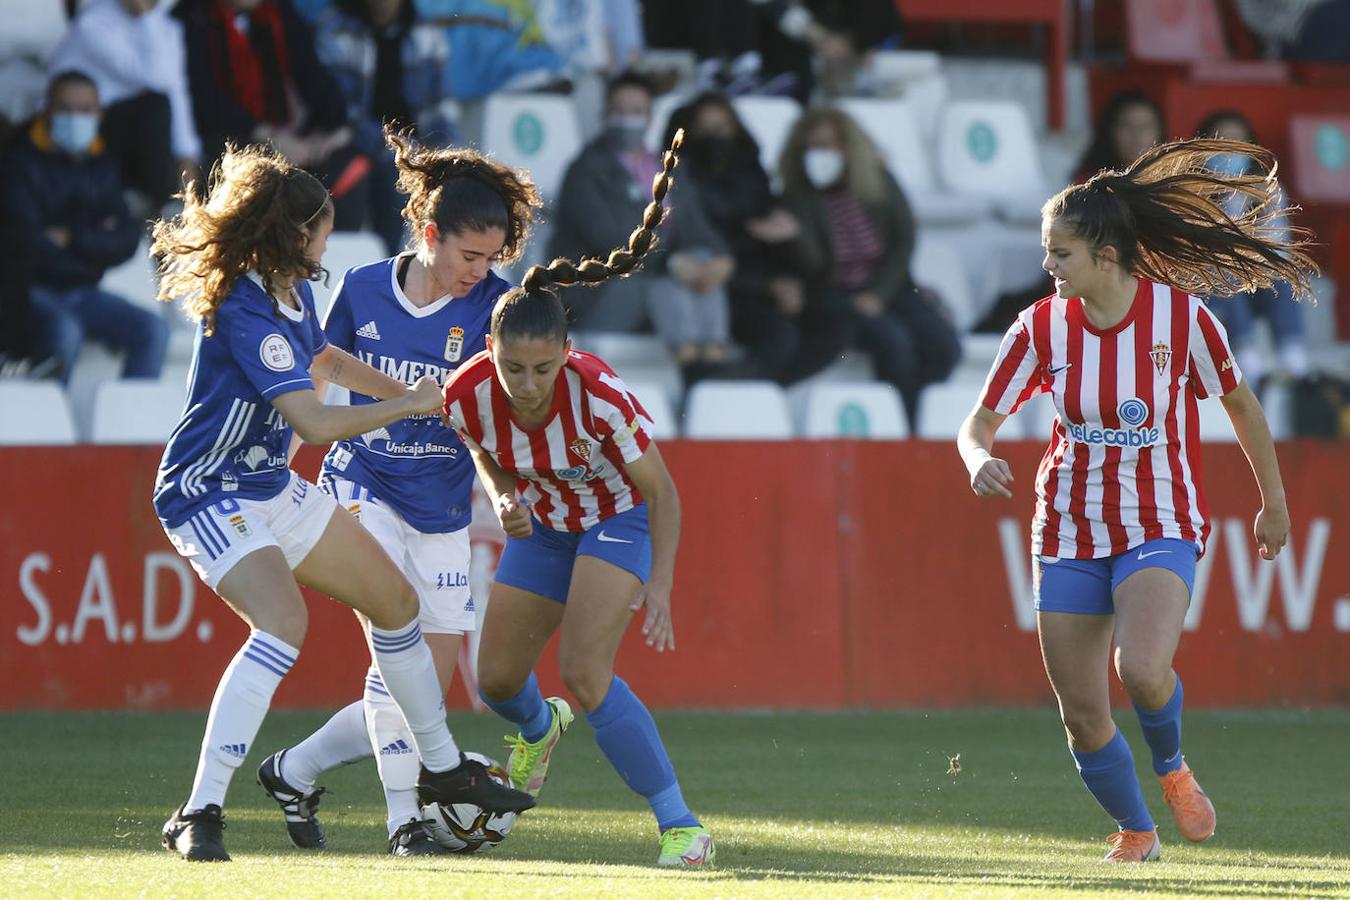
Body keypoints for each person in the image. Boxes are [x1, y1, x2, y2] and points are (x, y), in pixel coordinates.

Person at [149, 141, 533, 863]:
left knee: (396, 606)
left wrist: (419, 398)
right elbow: (317, 421)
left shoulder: (293, 296)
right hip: (208, 489)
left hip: (270, 487)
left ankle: (444, 770)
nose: (332, 241)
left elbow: (325, 362)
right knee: (282, 624)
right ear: (298, 235)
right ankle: (200, 810)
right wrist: (409, 406)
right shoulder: (243, 308)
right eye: (324, 230)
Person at [957, 137, 1315, 862]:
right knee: (1082, 715)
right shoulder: (1039, 327)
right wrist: (976, 458)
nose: (1047, 266)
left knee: (1142, 670)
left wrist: (1273, 502)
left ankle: (1173, 769)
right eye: (1046, 251)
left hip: (1160, 520)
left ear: (1106, 255)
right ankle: (1137, 831)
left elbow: (1242, 407)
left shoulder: (1181, 321)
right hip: (1066, 526)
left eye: (1060, 253)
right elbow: (980, 421)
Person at [256, 127, 543, 857]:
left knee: (418, 698)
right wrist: (284, 459)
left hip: (443, 509)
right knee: (396, 636)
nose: (479, 272)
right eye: (468, 256)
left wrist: (502, 493)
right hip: (362, 486)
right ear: (428, 234)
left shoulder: (494, 311)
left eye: (491, 258)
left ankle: (293, 770)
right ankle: (405, 824)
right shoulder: (359, 289)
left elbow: (483, 425)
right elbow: (321, 377)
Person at [443, 130, 715, 868]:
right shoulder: (466, 393)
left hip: (618, 522)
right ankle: (539, 731)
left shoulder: (598, 398)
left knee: (587, 673)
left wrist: (658, 583)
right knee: (495, 680)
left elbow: (662, 492)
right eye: (511, 368)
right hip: (546, 532)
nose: (525, 386)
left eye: (539, 368)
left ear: (564, 355)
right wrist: (501, 495)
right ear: (489, 354)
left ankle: (681, 827)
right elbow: (481, 447)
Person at [776, 105, 960, 431]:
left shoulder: (880, 184)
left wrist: (878, 293)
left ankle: (921, 414)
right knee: (894, 343)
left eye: (831, 145)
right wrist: (796, 235)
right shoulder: (796, 197)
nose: (823, 155)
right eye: (814, 147)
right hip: (834, 297)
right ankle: (903, 426)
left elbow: (903, 241)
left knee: (943, 343)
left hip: (888, 287)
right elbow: (814, 266)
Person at [550, 71, 733, 383]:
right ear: (605, 115)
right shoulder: (585, 170)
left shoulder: (669, 168)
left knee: (703, 259)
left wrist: (721, 259)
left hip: (662, 290)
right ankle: (694, 365)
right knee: (658, 279)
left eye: (636, 112)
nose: (627, 120)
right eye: (619, 111)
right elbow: (609, 240)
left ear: (649, 118)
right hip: (599, 294)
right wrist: (673, 265)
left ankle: (710, 352)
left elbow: (697, 228)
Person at [0, 69, 168, 384]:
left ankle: (131, 428)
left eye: (85, 110)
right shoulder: (18, 160)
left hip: (82, 291)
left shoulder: (101, 162)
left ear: (99, 114)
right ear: (48, 110)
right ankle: (49, 428)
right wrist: (93, 240)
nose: (76, 118)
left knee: (153, 330)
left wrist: (72, 236)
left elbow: (126, 239)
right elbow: (24, 242)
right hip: (28, 291)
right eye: (66, 109)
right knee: (65, 330)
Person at [174, 0, 365, 231]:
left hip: (288, 135)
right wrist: (269, 136)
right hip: (231, 137)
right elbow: (206, 102)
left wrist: (336, 129)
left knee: (352, 160)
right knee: (240, 162)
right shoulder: (193, 18)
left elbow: (313, 76)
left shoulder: (277, 14)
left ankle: (333, 252)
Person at [662, 91, 803, 380]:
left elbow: (775, 245)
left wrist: (789, 273)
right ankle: (717, 387)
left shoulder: (756, 179)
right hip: (714, 288)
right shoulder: (679, 184)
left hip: (759, 286)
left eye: (722, 127)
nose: (715, 137)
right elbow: (695, 251)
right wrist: (766, 285)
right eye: (704, 129)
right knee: (779, 335)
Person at [307, 0, 460, 254]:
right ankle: (388, 267)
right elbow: (342, 109)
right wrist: (397, 148)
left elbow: (441, 108)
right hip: (357, 143)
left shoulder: (426, 32)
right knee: (394, 177)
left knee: (456, 179)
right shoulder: (335, 29)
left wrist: (447, 157)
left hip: (414, 147)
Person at [48, 0, 201, 212]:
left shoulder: (166, 28)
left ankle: (172, 208)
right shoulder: (93, 22)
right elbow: (156, 77)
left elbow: (176, 94)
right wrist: (146, 16)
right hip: (82, 136)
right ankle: (160, 203)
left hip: (130, 142)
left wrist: (188, 157)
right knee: (155, 108)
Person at [1195, 111, 1309, 388]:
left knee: (1283, 276)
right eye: (1220, 142)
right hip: (1210, 287)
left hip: (1255, 282)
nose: (1229, 149)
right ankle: (1244, 351)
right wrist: (1237, 203)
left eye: (1237, 141)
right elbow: (1215, 252)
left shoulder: (1269, 187)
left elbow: (1281, 249)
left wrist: (1262, 203)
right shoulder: (1192, 191)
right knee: (1227, 275)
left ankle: (1291, 350)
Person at [1074, 90, 1164, 183]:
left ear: (1160, 131)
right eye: (1127, 125)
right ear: (1109, 131)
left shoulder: (1170, 184)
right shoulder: (1090, 185)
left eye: (1145, 126)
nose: (1136, 134)